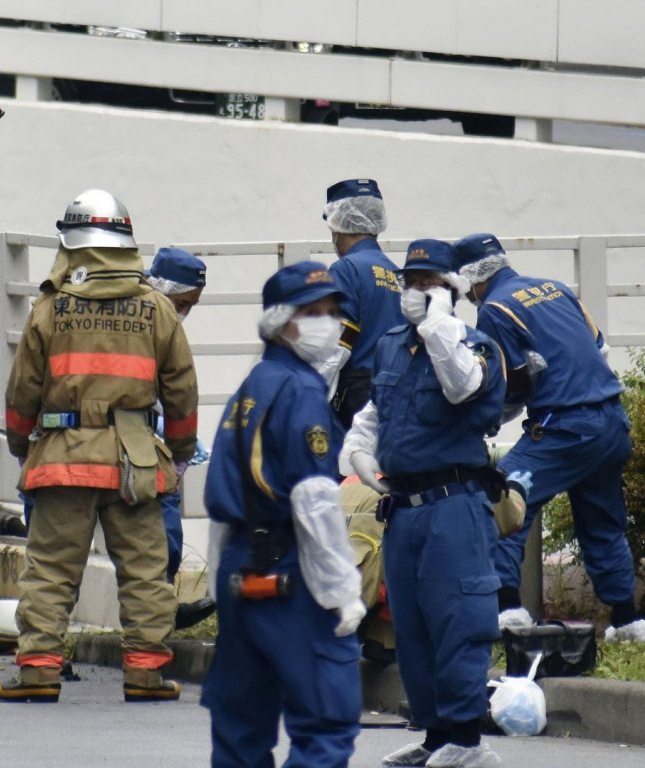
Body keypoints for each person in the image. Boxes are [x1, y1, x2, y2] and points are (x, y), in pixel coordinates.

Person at [0, 190, 198, 703]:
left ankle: (39, 670)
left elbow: (23, 391)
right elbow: (182, 389)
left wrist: (22, 442)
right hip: (136, 460)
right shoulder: (157, 309)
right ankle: (146, 673)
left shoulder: (50, 307)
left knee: (52, 571)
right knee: (146, 571)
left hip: (63, 457)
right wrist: (178, 448)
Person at [341, 240, 507, 768]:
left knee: (458, 619)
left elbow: (461, 388)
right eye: (410, 281)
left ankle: (465, 738)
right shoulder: (392, 345)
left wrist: (439, 324)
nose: (416, 291)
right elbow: (374, 411)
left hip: (453, 505)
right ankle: (436, 736)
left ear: (452, 289)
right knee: (411, 629)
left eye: (429, 283)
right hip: (404, 510)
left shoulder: (477, 345)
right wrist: (361, 451)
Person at [199, 260, 365, 767]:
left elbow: (223, 494)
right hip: (289, 571)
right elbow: (314, 500)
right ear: (280, 320)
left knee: (241, 728)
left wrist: (217, 577)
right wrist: (341, 590)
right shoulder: (301, 390)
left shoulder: (254, 384)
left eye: (333, 311)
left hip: (241, 567)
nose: (327, 323)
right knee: (325, 722)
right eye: (311, 311)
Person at [453, 233, 645, 641]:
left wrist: (482, 421)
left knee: (502, 501)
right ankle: (628, 621)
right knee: (602, 522)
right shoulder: (554, 288)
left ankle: (508, 611)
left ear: (471, 278)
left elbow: (511, 383)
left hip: (566, 428)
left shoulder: (495, 309)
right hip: (611, 422)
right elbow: (598, 347)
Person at [143, 248, 216, 629]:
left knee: (163, 532)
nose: (186, 311)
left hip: (144, 439)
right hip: (127, 442)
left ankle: (160, 613)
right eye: (184, 303)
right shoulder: (144, 316)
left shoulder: (158, 315)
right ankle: (154, 622)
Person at [322, 178, 404, 428]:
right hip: (400, 396)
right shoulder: (396, 272)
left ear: (338, 225)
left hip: (359, 399)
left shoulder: (345, 270)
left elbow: (336, 350)